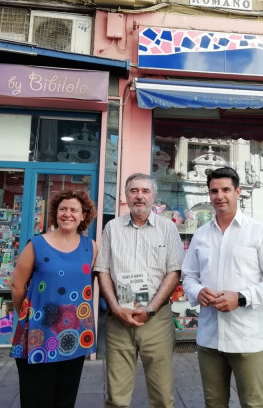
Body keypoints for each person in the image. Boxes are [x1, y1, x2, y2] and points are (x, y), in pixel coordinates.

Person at [182, 166, 263, 408]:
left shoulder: (258, 232)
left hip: (246, 338)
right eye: (214, 191)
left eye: (226, 190)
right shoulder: (201, 235)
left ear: (238, 191)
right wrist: (198, 291)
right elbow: (188, 276)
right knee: (214, 402)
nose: (220, 196)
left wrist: (241, 298)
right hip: (209, 337)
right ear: (209, 194)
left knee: (253, 403)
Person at [94, 173, 183, 408]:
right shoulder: (112, 228)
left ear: (154, 196)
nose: (139, 196)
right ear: (126, 196)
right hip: (118, 319)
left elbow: (174, 272)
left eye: (145, 191)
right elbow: (102, 270)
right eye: (134, 191)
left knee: (162, 396)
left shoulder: (167, 228)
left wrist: (151, 309)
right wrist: (114, 308)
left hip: (157, 320)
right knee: (116, 397)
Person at [10, 189, 98, 408]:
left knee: (65, 399)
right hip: (39, 335)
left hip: (75, 334)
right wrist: (30, 318)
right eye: (63, 209)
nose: (67, 214)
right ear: (56, 213)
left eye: (74, 210)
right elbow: (17, 285)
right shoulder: (37, 245)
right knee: (36, 398)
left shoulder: (91, 247)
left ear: (83, 215)